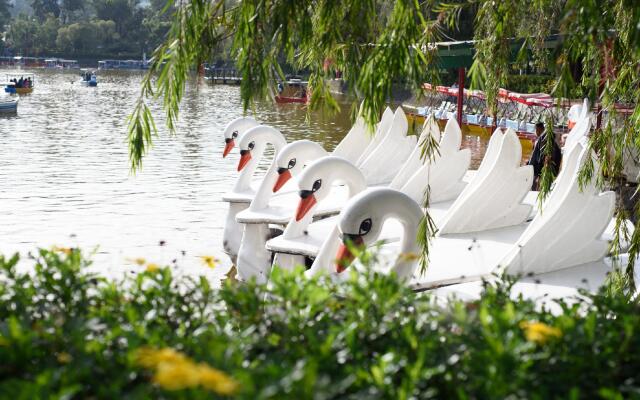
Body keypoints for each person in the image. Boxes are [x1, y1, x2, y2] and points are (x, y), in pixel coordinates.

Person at [528, 121, 562, 190]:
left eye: (536, 130)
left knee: (538, 186)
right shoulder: (550, 138)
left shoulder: (543, 139)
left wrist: (532, 166)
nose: (535, 132)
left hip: (543, 169)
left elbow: (538, 156)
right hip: (548, 169)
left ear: (538, 129)